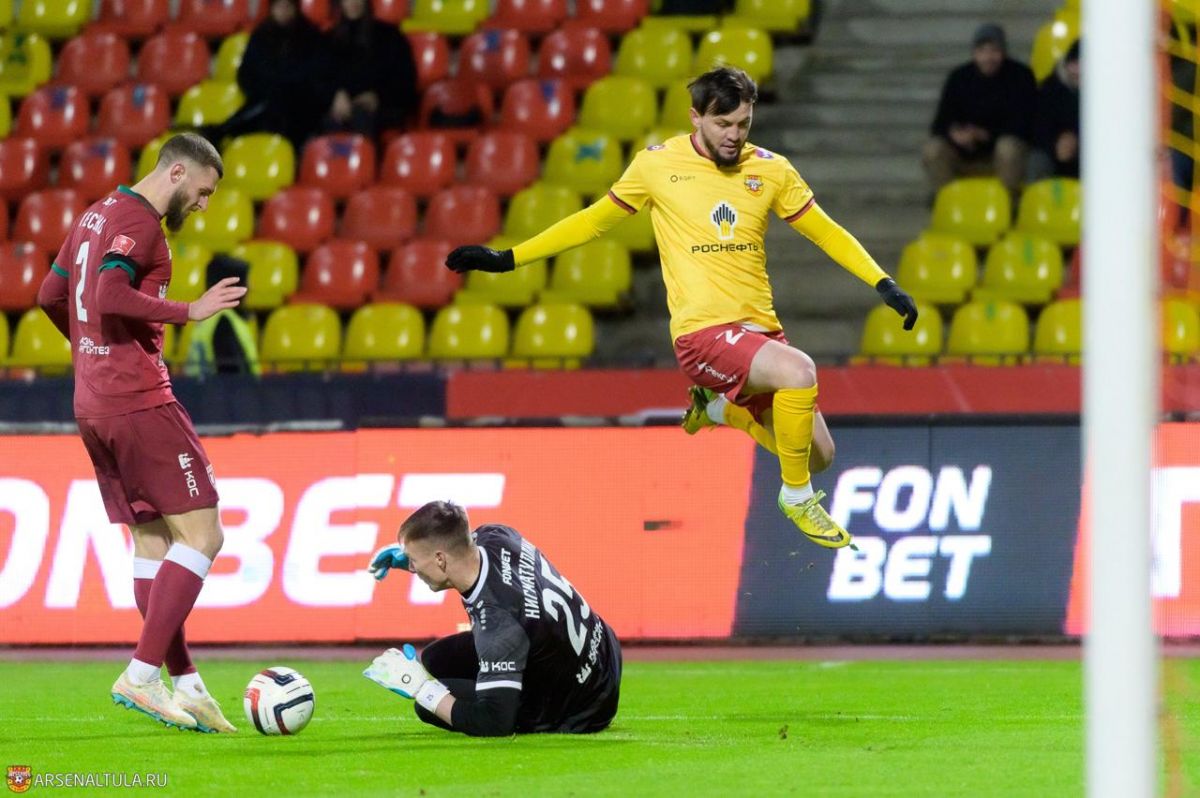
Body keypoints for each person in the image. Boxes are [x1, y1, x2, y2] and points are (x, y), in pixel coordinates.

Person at [445, 67, 918, 551]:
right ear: (696, 118)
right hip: (702, 334)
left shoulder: (772, 170)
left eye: (743, 123)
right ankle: (796, 498)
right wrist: (508, 258)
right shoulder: (656, 165)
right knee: (799, 373)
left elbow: (826, 231)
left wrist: (882, 282)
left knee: (818, 456)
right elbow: (592, 222)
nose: (734, 135)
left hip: (759, 334)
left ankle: (720, 410)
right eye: (723, 124)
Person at [36, 133, 247, 733]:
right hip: (138, 401)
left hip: (93, 403)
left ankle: (187, 685)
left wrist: (91, 351)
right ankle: (141, 673)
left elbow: (50, 294)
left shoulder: (95, 214)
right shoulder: (140, 221)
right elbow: (108, 292)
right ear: (176, 172)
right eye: (202, 191)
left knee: (154, 544)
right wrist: (189, 310)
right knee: (203, 535)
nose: (203, 204)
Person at [363, 501, 622, 737]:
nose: (412, 567)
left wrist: (421, 689)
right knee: (437, 658)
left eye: (414, 561)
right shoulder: (496, 535)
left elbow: (495, 722)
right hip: (603, 652)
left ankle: (520, 696)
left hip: (584, 705)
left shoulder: (499, 625)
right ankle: (503, 681)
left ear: (440, 558)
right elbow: (460, 550)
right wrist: (416, 557)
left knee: (430, 705)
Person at [922, 23, 1037, 199]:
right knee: (933, 149)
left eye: (994, 51)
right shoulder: (959, 78)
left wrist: (985, 135)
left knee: (1008, 148)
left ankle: (1009, 204)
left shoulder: (1021, 76)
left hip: (1003, 152)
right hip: (965, 151)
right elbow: (940, 122)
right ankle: (947, 202)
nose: (988, 57)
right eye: (982, 51)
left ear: (1003, 52)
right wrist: (955, 134)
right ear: (974, 53)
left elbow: (1026, 123)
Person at [210, 0, 333, 151]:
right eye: (279, 6)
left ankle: (224, 130)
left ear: (296, 8)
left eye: (287, 6)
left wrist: (281, 85)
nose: (283, 11)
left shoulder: (312, 37)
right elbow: (246, 75)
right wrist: (265, 88)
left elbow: (315, 78)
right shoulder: (260, 36)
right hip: (266, 102)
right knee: (271, 102)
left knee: (278, 100)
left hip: (299, 110)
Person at [325, 0, 419, 141]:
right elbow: (320, 79)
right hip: (341, 110)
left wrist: (378, 97)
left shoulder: (390, 35)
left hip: (382, 107)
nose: (353, 2)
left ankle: (362, 154)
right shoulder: (329, 40)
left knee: (361, 116)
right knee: (333, 119)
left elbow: (406, 80)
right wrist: (335, 95)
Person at [182, 255, 261, 378]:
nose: (250, 288)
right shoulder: (224, 322)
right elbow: (231, 377)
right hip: (221, 390)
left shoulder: (209, 317)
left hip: (202, 389)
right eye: (245, 282)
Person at [1027, 40, 1080, 182]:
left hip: (1090, 151)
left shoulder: (1106, 94)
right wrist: (1055, 143)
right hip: (1052, 151)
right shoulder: (1049, 88)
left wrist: (1076, 141)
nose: (1078, 70)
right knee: (1036, 162)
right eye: (1074, 64)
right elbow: (1038, 127)